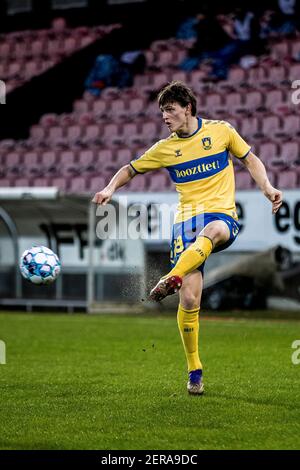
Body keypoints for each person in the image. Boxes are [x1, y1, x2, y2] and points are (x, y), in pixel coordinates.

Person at [92, 81, 283, 395]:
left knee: (215, 231)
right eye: (162, 112)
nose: (165, 117)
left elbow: (250, 159)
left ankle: (171, 276)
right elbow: (130, 169)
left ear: (187, 108)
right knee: (191, 299)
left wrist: (268, 189)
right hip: (186, 223)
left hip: (221, 214)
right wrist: (109, 188)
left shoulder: (221, 131)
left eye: (170, 110)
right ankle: (195, 369)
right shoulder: (164, 149)